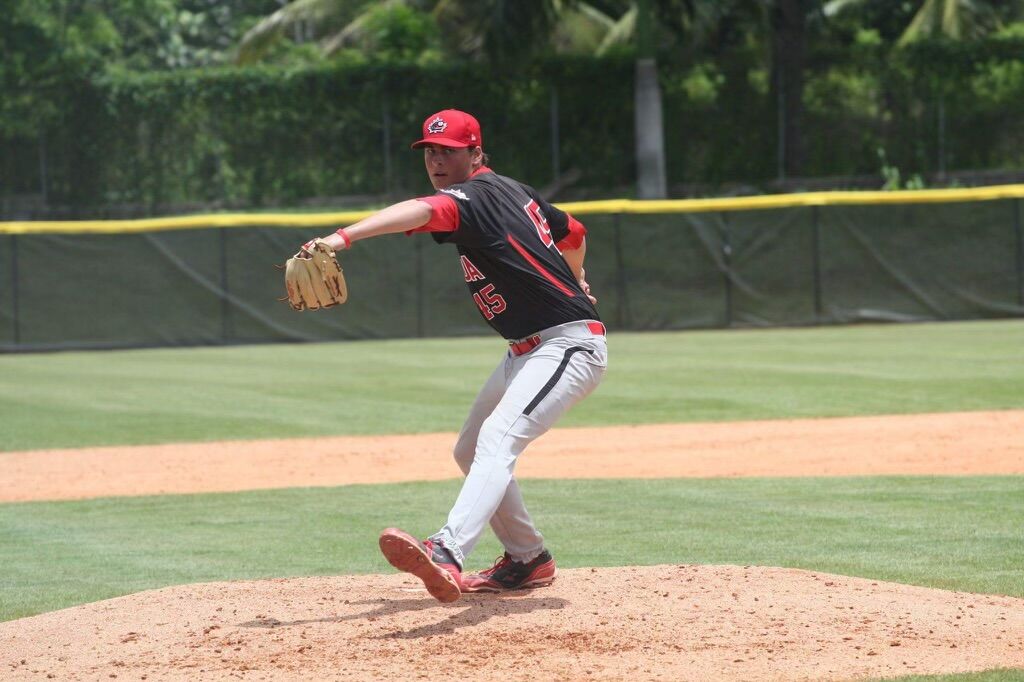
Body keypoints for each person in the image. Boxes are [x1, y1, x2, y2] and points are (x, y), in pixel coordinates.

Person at [301, 109, 607, 603]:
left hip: (567, 343)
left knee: (498, 439)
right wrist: (577, 275)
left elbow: (422, 211)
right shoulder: (513, 189)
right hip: (527, 350)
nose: (437, 160)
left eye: (448, 151)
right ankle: (528, 560)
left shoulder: (472, 198)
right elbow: (573, 232)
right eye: (430, 152)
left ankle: (447, 550)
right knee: (470, 448)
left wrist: (341, 237)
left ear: (475, 154)